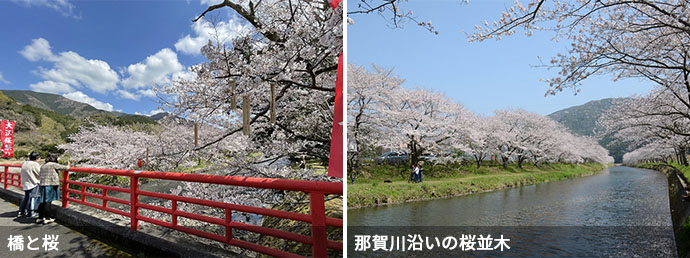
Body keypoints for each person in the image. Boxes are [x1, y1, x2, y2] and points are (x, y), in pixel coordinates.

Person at [37, 153, 69, 224]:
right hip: (50, 184)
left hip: (43, 185)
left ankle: (40, 217)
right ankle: (47, 218)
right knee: (48, 202)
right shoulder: (53, 164)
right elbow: (66, 168)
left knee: (43, 202)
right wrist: (68, 164)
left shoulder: (43, 165)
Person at [18, 152, 41, 217]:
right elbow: (39, 173)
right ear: (37, 158)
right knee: (33, 197)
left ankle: (21, 211)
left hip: (25, 183)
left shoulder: (25, 163)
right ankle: (32, 212)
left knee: (26, 197)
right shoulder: (35, 164)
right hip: (32, 183)